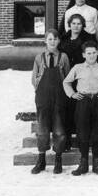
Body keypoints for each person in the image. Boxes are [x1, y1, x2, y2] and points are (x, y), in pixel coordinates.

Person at [63, 41, 98, 176]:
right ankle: (83, 163)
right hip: (83, 101)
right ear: (83, 55)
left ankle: (97, 163)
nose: (92, 55)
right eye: (89, 53)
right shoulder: (77, 68)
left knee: (97, 132)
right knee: (82, 132)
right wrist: (72, 94)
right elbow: (66, 82)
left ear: (97, 53)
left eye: (94, 53)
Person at [31, 29, 70, 174]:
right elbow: (34, 78)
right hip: (43, 97)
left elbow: (67, 78)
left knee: (59, 130)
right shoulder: (39, 58)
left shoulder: (63, 57)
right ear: (45, 41)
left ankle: (58, 160)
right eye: (50, 39)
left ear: (59, 41)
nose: (53, 42)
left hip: (59, 97)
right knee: (42, 130)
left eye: (55, 39)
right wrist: (41, 90)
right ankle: (41, 160)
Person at [59, 14, 96, 151]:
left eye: (79, 23)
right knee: (68, 110)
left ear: (83, 25)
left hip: (84, 78)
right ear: (69, 24)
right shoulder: (63, 39)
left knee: (83, 111)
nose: (76, 26)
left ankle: (85, 140)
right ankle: (67, 139)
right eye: (74, 23)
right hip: (68, 78)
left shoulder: (89, 38)